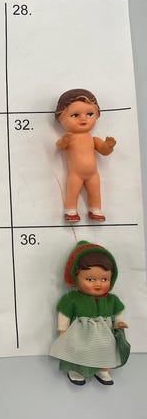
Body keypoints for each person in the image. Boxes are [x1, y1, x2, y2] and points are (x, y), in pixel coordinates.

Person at [50, 241, 130, 386]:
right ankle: (75, 370)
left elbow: (118, 311)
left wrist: (119, 321)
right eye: (90, 279)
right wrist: (63, 329)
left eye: (104, 279)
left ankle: (102, 369)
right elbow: (64, 313)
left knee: (106, 349)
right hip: (81, 332)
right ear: (75, 277)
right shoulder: (73, 298)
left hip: (105, 333)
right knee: (78, 350)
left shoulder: (111, 299)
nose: (98, 284)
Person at [55, 88, 115, 222]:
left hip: (93, 174)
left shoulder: (93, 139)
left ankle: (96, 209)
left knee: (95, 192)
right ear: (61, 118)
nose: (83, 118)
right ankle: (70, 211)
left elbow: (104, 151)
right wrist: (64, 141)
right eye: (75, 115)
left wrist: (109, 146)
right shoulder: (71, 138)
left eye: (89, 114)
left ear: (97, 115)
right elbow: (59, 146)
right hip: (75, 174)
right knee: (72, 192)